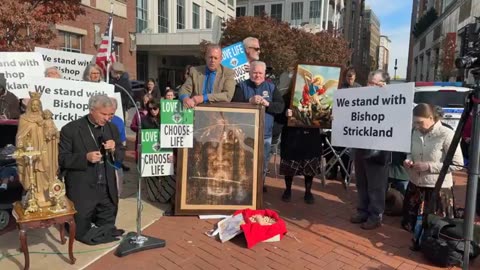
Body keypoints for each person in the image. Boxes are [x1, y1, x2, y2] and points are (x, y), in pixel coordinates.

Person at [59, 94, 125, 245]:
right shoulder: (71, 129)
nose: (108, 118)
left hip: (106, 186)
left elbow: (121, 153)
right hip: (83, 187)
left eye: (111, 114)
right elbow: (62, 158)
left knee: (108, 225)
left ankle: (100, 230)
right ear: (92, 110)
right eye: (104, 114)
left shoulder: (111, 128)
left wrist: (114, 149)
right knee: (80, 231)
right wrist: (85, 158)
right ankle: (92, 230)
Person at [402, 103, 463, 232]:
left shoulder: (446, 134)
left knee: (434, 229)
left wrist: (429, 166)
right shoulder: (414, 131)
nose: (417, 126)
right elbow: (410, 151)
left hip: (436, 188)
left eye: (420, 122)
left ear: (431, 118)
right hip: (416, 185)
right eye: (415, 122)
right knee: (412, 227)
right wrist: (409, 159)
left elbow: (457, 163)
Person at [232, 61, 284, 192]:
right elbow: (233, 105)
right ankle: (244, 187)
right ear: (249, 72)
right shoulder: (241, 86)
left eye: (260, 73)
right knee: (244, 161)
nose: (257, 75)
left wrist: (267, 103)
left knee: (262, 164)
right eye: (254, 72)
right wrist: (249, 101)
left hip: (265, 134)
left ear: (265, 73)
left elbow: (280, 107)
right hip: (245, 133)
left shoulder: (271, 87)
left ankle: (259, 186)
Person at [350, 70, 392, 230]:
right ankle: (362, 210)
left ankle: (375, 215)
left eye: (375, 83)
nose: (370, 85)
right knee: (361, 181)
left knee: (376, 184)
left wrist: (387, 92)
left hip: (379, 148)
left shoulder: (391, 99)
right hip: (360, 144)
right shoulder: (360, 97)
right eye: (369, 82)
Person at [278, 90, 322, 204]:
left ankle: (308, 191)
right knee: (290, 164)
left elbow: (321, 114)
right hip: (292, 136)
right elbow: (278, 116)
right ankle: (288, 190)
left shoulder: (317, 97)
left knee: (310, 163)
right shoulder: (288, 96)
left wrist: (328, 117)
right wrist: (285, 114)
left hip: (311, 136)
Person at [15, 92, 51, 205]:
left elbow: (49, 132)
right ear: (29, 105)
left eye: (37, 104)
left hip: (43, 148)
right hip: (30, 149)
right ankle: (32, 192)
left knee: (45, 168)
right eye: (33, 105)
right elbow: (20, 135)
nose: (35, 107)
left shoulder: (44, 117)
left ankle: (43, 191)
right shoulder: (24, 118)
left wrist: (49, 131)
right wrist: (21, 145)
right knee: (31, 170)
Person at [179, 44, 235, 108]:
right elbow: (184, 89)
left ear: (221, 59)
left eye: (215, 58)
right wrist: (185, 98)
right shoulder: (195, 71)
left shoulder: (228, 73)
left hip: (217, 113)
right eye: (210, 57)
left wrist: (204, 98)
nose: (212, 60)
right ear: (205, 57)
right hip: (197, 112)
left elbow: (227, 96)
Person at [109, 97, 129, 174]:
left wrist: (120, 155)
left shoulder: (119, 121)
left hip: (116, 153)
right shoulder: (101, 120)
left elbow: (123, 140)